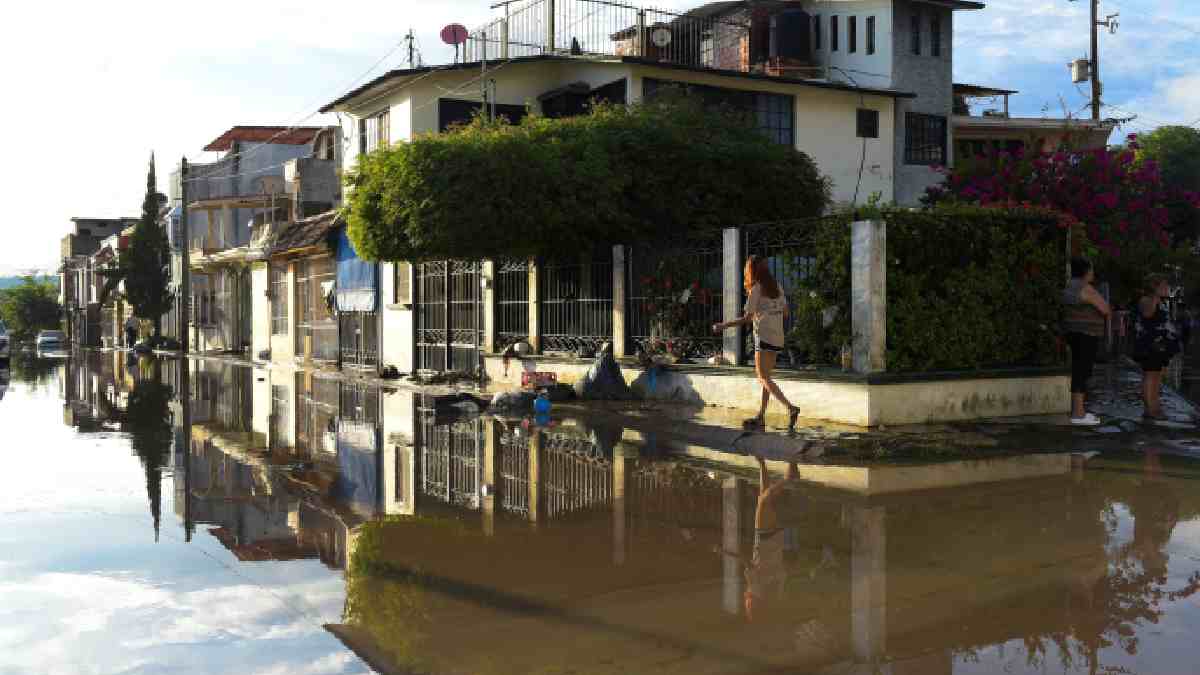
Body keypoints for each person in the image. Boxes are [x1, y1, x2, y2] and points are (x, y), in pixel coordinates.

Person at [713, 255, 800, 431]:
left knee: (762, 376)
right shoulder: (777, 286)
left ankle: (790, 407)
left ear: (750, 271)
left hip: (764, 336)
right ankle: (761, 416)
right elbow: (786, 313)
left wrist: (724, 325)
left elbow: (747, 318)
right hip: (778, 337)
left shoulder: (756, 289)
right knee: (767, 378)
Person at [1062, 258, 1110, 426]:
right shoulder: (1085, 288)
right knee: (1082, 371)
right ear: (1086, 271)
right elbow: (1105, 308)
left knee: (1078, 369)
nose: (1093, 273)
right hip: (1086, 334)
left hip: (1072, 332)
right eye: (1091, 270)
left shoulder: (1069, 286)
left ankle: (1078, 411)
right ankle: (1078, 413)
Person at [1133, 274, 1180, 422]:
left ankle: (1154, 405)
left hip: (1161, 346)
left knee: (1156, 376)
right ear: (1155, 287)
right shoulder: (1147, 300)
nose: (1167, 288)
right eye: (1164, 285)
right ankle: (1150, 408)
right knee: (1150, 375)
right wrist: (1155, 296)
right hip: (1151, 345)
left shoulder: (1160, 301)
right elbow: (1148, 315)